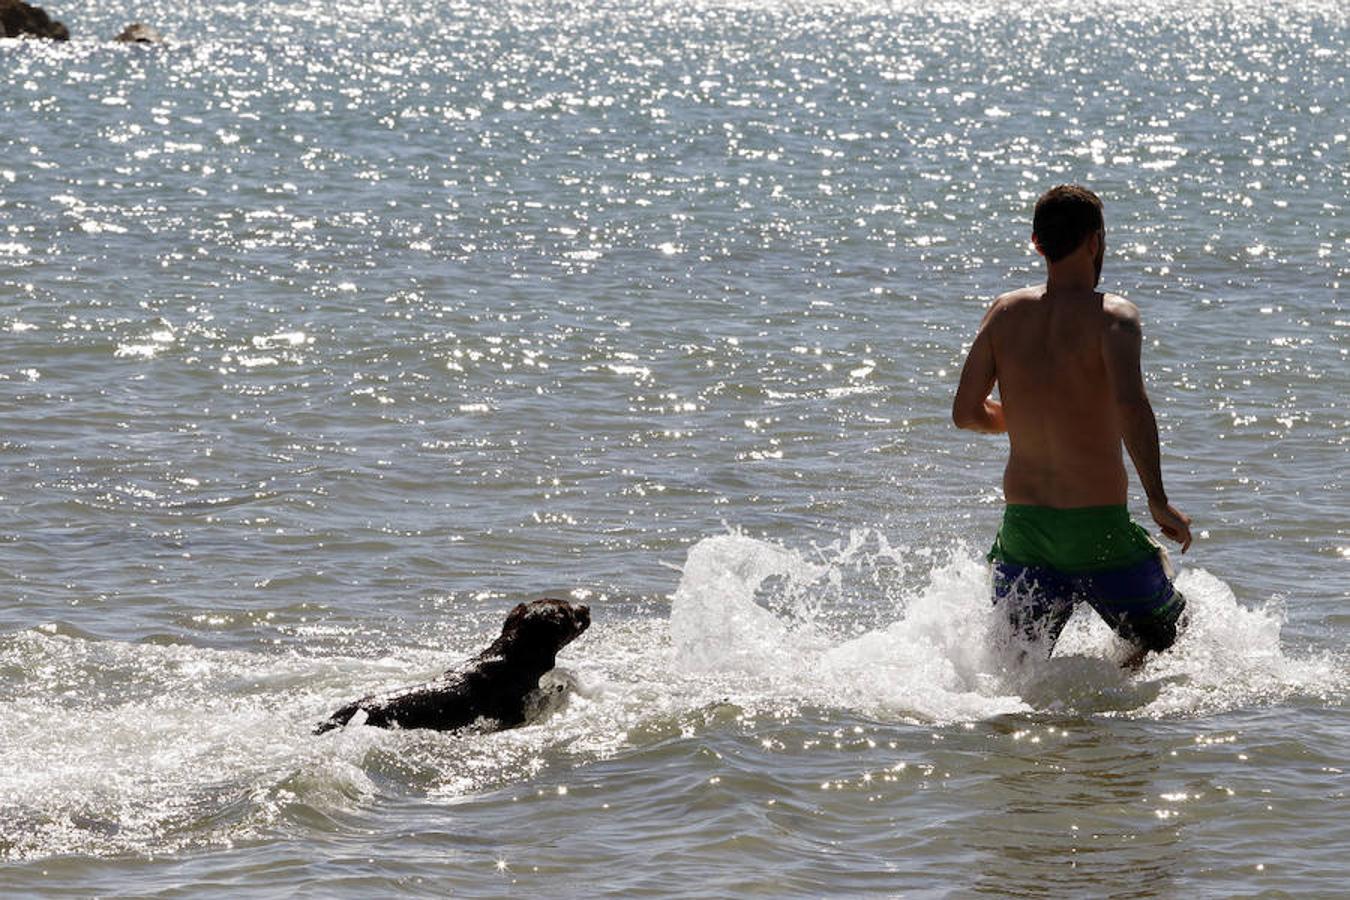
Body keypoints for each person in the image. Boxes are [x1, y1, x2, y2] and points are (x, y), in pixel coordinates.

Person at [951, 184, 1192, 662]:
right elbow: (1131, 405)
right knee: (1175, 644)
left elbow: (966, 414)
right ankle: (1115, 726)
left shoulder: (1004, 312)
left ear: (1037, 243)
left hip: (1024, 530)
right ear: (1095, 242)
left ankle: (1026, 734)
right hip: (1098, 532)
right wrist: (1159, 501)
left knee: (1013, 672)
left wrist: (1022, 419)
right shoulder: (1114, 317)